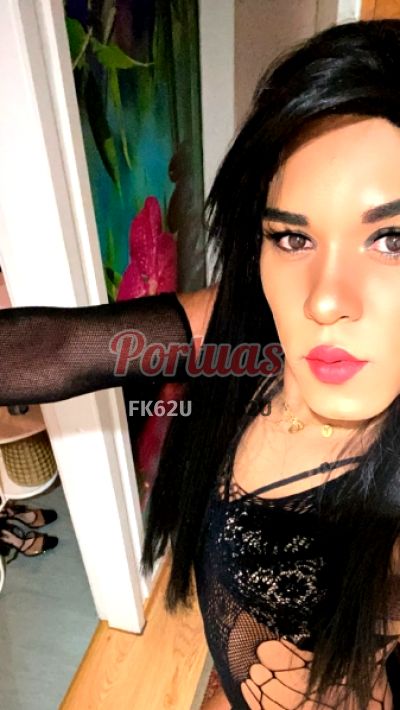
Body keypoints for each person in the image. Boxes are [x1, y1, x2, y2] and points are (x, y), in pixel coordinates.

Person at [1, 18, 400, 710]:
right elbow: (61, 349)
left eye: (392, 239)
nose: (324, 300)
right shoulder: (251, 322)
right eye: (293, 237)